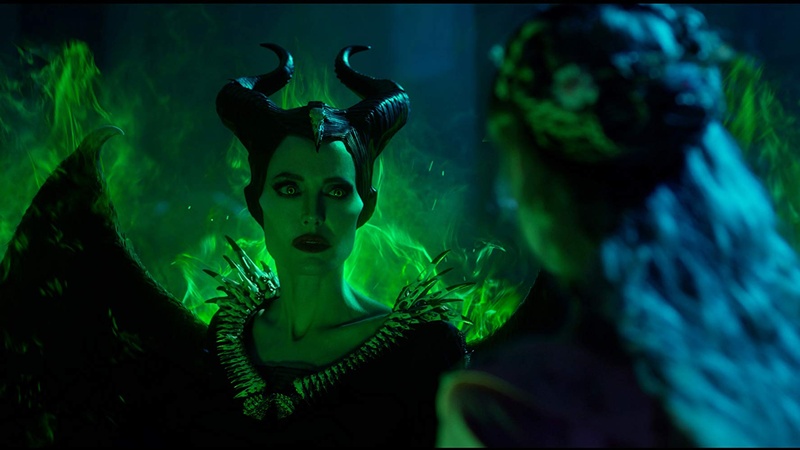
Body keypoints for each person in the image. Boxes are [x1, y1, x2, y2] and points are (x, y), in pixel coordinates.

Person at [0, 43, 471, 447]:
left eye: (334, 190)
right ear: (257, 201)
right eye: (289, 188)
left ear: (365, 206)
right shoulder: (226, 341)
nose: (312, 213)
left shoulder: (423, 353)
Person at [436, 4, 800, 447]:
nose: (504, 195)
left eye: (511, 159)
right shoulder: (782, 345)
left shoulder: (511, 407)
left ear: (547, 188)